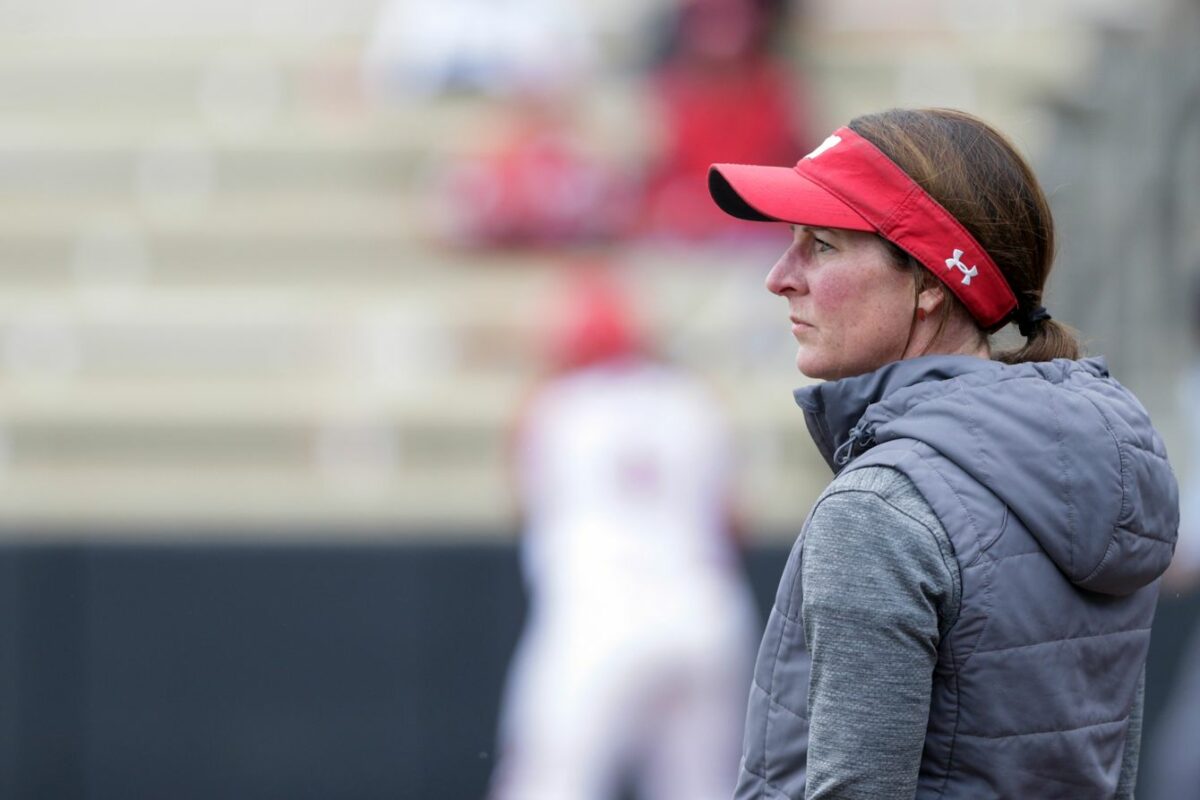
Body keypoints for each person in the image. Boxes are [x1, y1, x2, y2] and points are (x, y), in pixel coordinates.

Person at [705, 108, 1179, 799]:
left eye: (823, 246)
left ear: (931, 282)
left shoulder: (879, 510)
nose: (781, 276)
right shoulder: (1098, 469)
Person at [487, 269, 758, 800]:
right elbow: (735, 521)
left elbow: (520, 505)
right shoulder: (694, 399)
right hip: (704, 612)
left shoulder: (552, 405)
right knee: (702, 788)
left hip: (597, 617)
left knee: (550, 783)